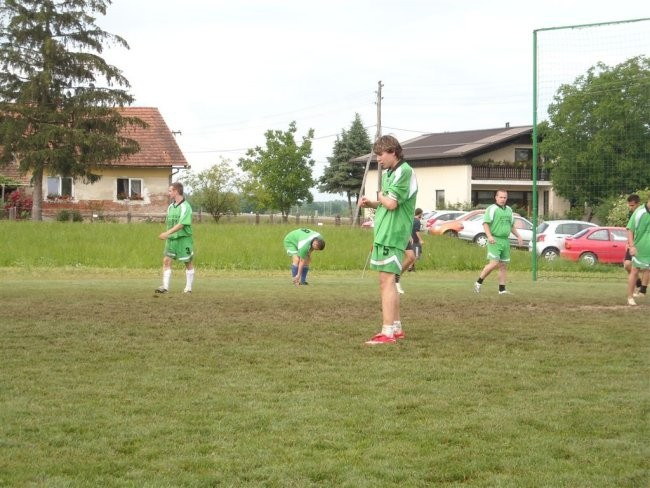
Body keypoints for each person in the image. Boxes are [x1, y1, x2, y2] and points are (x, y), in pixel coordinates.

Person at [360, 135, 418, 345]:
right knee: (388, 281)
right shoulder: (390, 173)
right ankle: (396, 327)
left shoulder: (404, 171)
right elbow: (387, 202)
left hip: (393, 233)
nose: (378, 159)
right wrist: (373, 203)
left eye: (380, 154)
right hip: (385, 232)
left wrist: (381, 195)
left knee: (386, 282)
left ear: (393, 151)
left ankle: (387, 333)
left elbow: (392, 203)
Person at [473, 190, 522, 295]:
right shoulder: (492, 209)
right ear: (496, 197)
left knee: (503, 265)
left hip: (505, 240)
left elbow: (511, 225)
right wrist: (489, 236)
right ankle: (478, 282)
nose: (503, 199)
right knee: (494, 263)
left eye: (505, 197)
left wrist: (518, 236)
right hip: (495, 239)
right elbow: (485, 223)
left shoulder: (509, 210)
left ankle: (502, 290)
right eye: (501, 197)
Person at [155, 182, 194, 294]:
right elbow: (170, 223)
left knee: (188, 262)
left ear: (176, 191)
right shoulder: (170, 207)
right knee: (166, 260)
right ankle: (165, 287)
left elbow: (182, 224)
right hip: (172, 239)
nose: (168, 193)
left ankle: (188, 288)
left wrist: (167, 233)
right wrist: (168, 234)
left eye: (170, 191)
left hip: (183, 238)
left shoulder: (185, 206)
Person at [626, 195, 650, 306]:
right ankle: (630, 297)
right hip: (639, 248)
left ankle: (643, 290)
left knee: (648, 269)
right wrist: (632, 246)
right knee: (634, 270)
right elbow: (629, 230)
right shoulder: (639, 212)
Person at [395, 207, 424, 294]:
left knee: (411, 257)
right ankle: (393, 282)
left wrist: (408, 235)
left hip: (404, 236)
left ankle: (396, 278)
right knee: (396, 258)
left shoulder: (409, 212)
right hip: (394, 234)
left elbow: (407, 224)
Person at [623, 194, 644, 294]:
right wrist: (628, 243)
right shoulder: (631, 214)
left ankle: (641, 288)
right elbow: (630, 230)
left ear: (638, 204)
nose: (630, 207)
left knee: (643, 268)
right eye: (629, 205)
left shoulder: (644, 213)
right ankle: (638, 280)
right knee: (627, 265)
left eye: (632, 205)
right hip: (633, 244)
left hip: (643, 244)